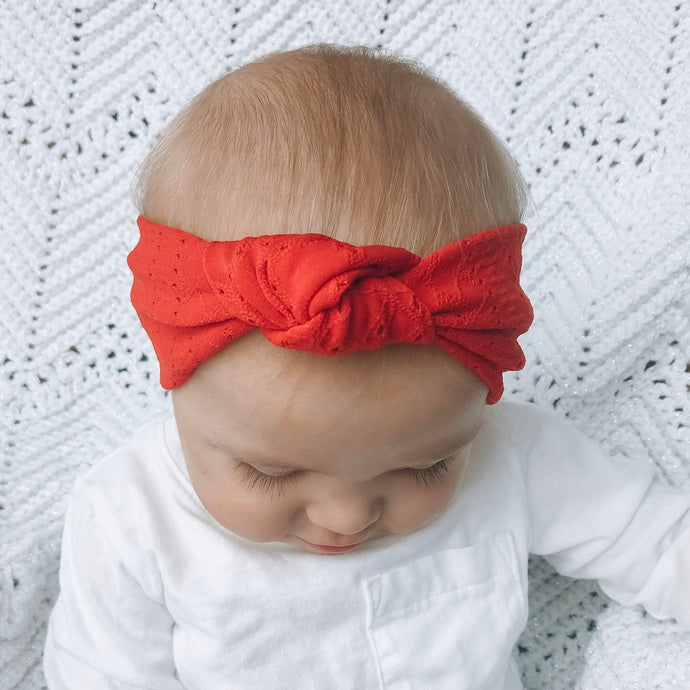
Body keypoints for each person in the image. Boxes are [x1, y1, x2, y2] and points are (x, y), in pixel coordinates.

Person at [43, 43, 690, 689]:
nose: (347, 517)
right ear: (177, 374)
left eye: (424, 466)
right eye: (268, 472)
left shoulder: (514, 455)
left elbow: (661, 545)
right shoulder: (131, 518)